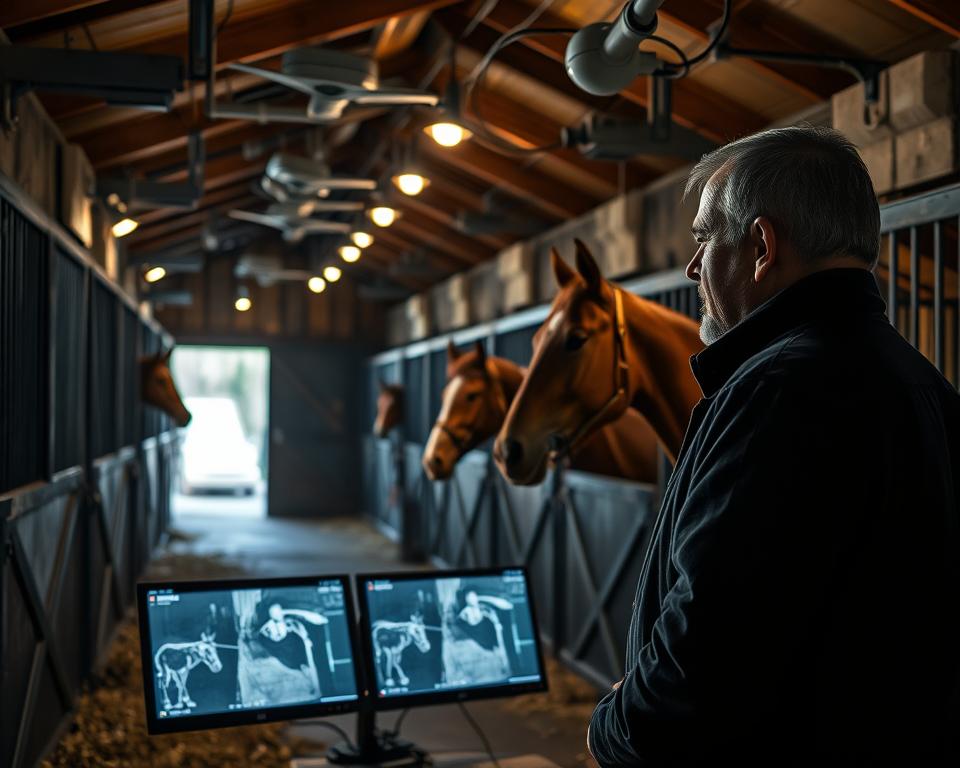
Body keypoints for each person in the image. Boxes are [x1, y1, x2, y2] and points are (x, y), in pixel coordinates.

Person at [587, 125, 960, 767]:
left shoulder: (776, 392)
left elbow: (706, 652)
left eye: (706, 237)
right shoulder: (927, 385)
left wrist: (615, 731)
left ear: (761, 246)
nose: (693, 265)